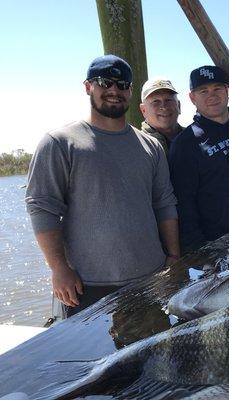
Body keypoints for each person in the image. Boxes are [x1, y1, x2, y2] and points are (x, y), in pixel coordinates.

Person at [25, 55, 180, 317]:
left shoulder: (151, 146)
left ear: (130, 91)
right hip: (87, 286)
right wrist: (59, 269)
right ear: (88, 87)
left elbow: (164, 204)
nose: (114, 91)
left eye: (122, 85)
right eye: (105, 82)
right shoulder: (59, 142)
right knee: (89, 358)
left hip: (152, 278)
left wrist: (174, 258)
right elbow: (42, 209)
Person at [168, 65, 229, 252]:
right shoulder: (185, 144)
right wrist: (198, 250)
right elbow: (184, 202)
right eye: (203, 91)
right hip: (218, 246)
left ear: (227, 91)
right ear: (192, 98)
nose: (211, 95)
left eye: (217, 88)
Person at [139, 77, 184, 155]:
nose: (164, 107)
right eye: (156, 101)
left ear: (179, 106)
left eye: (168, 100)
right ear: (144, 110)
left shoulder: (197, 139)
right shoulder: (137, 145)